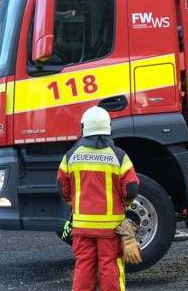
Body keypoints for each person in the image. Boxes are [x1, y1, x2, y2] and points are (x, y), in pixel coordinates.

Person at [56, 105, 141, 291]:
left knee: (84, 265)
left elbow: (62, 189)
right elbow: (131, 190)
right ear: (108, 128)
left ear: (84, 128)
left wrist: (75, 205)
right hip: (111, 228)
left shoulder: (70, 156)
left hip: (81, 226)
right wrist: (124, 204)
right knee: (110, 265)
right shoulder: (119, 156)